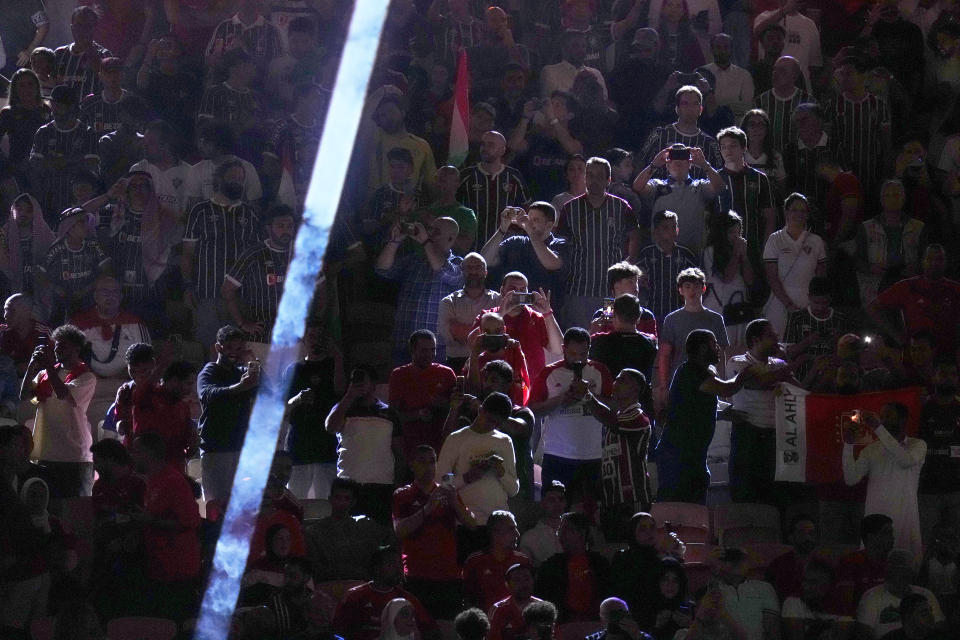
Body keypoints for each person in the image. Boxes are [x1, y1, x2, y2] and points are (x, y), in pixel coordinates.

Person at [655, 329, 752, 503]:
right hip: (678, 459)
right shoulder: (691, 372)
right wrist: (743, 375)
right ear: (701, 349)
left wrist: (722, 414)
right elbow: (726, 389)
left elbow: (691, 411)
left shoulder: (697, 372)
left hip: (693, 458)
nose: (718, 348)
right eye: (713, 344)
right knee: (676, 509)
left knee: (695, 508)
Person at [182, 159, 263, 350]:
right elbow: (187, 254)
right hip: (208, 292)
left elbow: (258, 256)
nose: (237, 182)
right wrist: (187, 286)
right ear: (219, 179)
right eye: (233, 177)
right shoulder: (200, 211)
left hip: (242, 295)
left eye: (241, 179)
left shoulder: (250, 213)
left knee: (241, 350)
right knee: (210, 347)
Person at [726, 319, 805, 507]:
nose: (777, 338)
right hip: (748, 434)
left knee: (773, 493)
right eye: (771, 335)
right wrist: (794, 365)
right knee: (746, 492)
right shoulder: (738, 362)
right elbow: (757, 383)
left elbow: (801, 391)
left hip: (775, 436)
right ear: (755, 340)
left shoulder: (778, 364)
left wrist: (817, 368)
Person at [556, 156, 640, 329]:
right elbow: (560, 244)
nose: (594, 180)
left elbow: (635, 235)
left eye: (600, 176)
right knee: (579, 333)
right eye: (590, 175)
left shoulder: (621, 207)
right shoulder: (570, 208)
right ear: (585, 177)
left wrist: (629, 263)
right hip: (578, 288)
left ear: (608, 180)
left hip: (609, 291)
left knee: (606, 331)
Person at [393, 444, 476, 619]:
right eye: (422, 462)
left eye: (432, 462)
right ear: (411, 465)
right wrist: (427, 508)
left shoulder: (447, 492)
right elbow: (400, 531)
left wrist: (454, 501)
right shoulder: (403, 494)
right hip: (417, 575)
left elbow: (472, 524)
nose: (428, 467)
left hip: (448, 575)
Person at [129, 432, 201, 623]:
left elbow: (191, 521)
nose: (132, 455)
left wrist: (150, 521)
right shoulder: (153, 480)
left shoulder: (173, 481)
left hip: (178, 568)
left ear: (150, 453)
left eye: (136, 451)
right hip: (161, 566)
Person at [530, 327, 613, 490]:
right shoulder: (549, 373)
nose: (578, 359)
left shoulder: (599, 371)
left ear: (589, 350)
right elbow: (533, 410)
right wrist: (561, 399)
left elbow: (613, 407)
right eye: (573, 354)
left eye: (582, 354)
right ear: (563, 349)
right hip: (557, 454)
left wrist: (588, 395)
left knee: (591, 508)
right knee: (555, 505)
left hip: (593, 454)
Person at [20, 324, 96, 498]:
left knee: (76, 510)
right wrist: (32, 365)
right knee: (49, 509)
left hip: (73, 456)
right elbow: (24, 395)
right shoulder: (45, 374)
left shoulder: (86, 377)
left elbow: (63, 394)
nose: (56, 349)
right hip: (45, 452)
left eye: (63, 345)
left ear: (76, 348)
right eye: (55, 345)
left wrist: (47, 365)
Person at [843, 403, 927, 560]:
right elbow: (851, 478)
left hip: (905, 517)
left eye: (888, 416)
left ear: (903, 420)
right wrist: (848, 445)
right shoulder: (871, 449)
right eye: (882, 416)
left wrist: (878, 428)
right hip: (876, 518)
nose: (883, 420)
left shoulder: (917, 445)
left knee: (906, 562)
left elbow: (905, 460)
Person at [376, 218, 465, 365]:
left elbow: (445, 273)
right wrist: (394, 242)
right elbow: (382, 269)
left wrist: (425, 242)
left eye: (435, 232)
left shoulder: (458, 263)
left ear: (450, 239)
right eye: (429, 229)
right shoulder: (415, 260)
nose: (429, 234)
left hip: (436, 348)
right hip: (405, 342)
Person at [327, 366, 402, 526]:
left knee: (379, 533)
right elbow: (330, 427)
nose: (358, 383)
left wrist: (398, 482)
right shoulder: (343, 408)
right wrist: (349, 396)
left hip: (381, 486)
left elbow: (399, 450)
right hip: (349, 485)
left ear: (373, 384)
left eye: (362, 379)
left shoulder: (389, 413)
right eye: (355, 380)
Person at [437, 392, 519, 537]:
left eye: (498, 424)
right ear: (480, 410)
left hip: (498, 524)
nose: (493, 426)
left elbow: (513, 490)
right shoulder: (456, 439)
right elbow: (441, 483)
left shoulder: (504, 441)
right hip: (465, 522)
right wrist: (467, 477)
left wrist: (501, 472)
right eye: (490, 420)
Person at [584, 369, 654, 538]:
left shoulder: (638, 416)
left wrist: (586, 396)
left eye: (623, 380)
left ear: (636, 389)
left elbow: (612, 422)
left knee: (634, 545)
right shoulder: (616, 417)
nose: (616, 383)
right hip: (611, 501)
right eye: (616, 379)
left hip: (632, 499)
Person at [196, 324, 259, 503]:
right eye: (229, 347)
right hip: (216, 448)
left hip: (240, 448)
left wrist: (254, 362)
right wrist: (239, 387)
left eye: (239, 348)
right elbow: (207, 394)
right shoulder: (210, 371)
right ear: (218, 347)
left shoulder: (242, 373)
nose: (234, 353)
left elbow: (268, 391)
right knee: (216, 505)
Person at [282, 320, 343, 500]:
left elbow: (340, 391)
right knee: (295, 500)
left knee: (325, 503)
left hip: (327, 447)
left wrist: (337, 356)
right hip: (299, 447)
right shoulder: (293, 369)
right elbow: (283, 409)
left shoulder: (334, 366)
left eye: (321, 337)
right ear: (304, 339)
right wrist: (298, 399)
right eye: (312, 336)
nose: (316, 341)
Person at [868, 245, 960, 362]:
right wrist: (898, 336)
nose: (934, 263)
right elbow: (873, 308)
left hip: (946, 353)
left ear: (946, 262)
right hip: (915, 354)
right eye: (930, 259)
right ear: (923, 261)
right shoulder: (908, 286)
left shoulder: (955, 289)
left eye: (939, 259)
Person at [656, 267, 729, 414]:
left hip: (709, 379)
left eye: (696, 286)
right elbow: (664, 355)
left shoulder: (715, 319)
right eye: (687, 287)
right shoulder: (672, 319)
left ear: (703, 289)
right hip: (680, 380)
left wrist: (722, 383)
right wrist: (664, 387)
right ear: (681, 290)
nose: (692, 291)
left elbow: (721, 354)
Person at [634, 143, 724, 260]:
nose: (678, 161)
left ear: (690, 163)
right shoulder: (657, 186)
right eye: (673, 157)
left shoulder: (700, 186)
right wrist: (654, 165)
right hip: (660, 256)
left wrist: (704, 164)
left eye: (682, 156)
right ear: (667, 164)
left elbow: (720, 187)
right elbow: (637, 187)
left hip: (693, 255)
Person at [222, 204, 296, 345]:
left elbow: (321, 291)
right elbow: (227, 290)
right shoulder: (253, 255)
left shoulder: (302, 255)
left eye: (290, 226)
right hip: (261, 337)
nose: (286, 231)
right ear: (269, 228)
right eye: (281, 226)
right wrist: (242, 323)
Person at [716, 126, 778, 292]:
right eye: (724, 147)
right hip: (722, 248)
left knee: (755, 293)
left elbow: (770, 217)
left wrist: (766, 247)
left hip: (754, 246)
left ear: (744, 148)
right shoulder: (715, 179)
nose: (728, 150)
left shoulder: (759, 178)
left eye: (733, 145)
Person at [473, 272, 564, 384]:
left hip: (531, 386)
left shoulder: (536, 318)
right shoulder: (487, 316)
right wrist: (500, 314)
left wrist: (548, 314)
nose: (518, 293)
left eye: (522, 289)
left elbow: (558, 349)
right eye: (513, 289)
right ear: (502, 291)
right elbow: (472, 345)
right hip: (495, 384)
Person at [332, 546, 439, 640]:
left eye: (400, 564)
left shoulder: (408, 599)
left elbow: (430, 629)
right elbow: (337, 632)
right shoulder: (355, 596)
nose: (398, 569)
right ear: (377, 569)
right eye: (391, 564)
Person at [29, 85, 100, 223]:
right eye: (53, 104)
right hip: (49, 202)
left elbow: (90, 166)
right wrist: (73, 161)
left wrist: (55, 162)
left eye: (59, 105)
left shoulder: (87, 133)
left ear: (72, 107)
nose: (54, 109)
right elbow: (36, 165)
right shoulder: (44, 132)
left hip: (79, 204)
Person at [763, 193, 827, 338]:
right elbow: (772, 277)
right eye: (794, 210)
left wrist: (815, 304)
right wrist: (788, 305)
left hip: (807, 303)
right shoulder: (774, 239)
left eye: (803, 211)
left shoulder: (816, 241)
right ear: (786, 212)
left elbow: (821, 277)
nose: (799, 214)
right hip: (779, 304)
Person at [305, 478, 394, 582]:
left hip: (362, 586)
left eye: (346, 499)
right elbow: (315, 569)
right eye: (338, 498)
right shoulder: (315, 531)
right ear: (330, 499)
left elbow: (391, 539)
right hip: (329, 586)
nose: (341, 503)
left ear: (353, 502)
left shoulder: (366, 527)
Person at [388, 330, 456, 464]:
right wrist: (417, 415)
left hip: (440, 442)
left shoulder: (446, 374)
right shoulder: (399, 375)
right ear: (412, 350)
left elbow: (457, 409)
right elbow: (393, 416)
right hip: (409, 445)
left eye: (433, 350)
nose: (429, 355)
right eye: (424, 350)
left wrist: (445, 405)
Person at [479, 202, 567, 305]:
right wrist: (502, 229)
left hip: (543, 307)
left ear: (549, 225)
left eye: (535, 220)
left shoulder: (559, 244)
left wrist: (530, 231)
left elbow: (551, 263)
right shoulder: (516, 241)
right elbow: (485, 260)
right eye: (529, 219)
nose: (529, 223)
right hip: (511, 306)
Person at [534, 511, 611, 622]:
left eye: (566, 529)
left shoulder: (599, 563)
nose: (560, 534)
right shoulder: (551, 565)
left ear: (581, 533)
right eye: (560, 530)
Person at [637, 85, 723, 182]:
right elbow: (639, 163)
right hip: (660, 194)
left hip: (697, 195)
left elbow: (720, 176)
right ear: (677, 109)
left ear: (701, 109)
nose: (690, 108)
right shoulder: (659, 135)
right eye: (685, 103)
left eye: (695, 104)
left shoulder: (710, 143)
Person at [457, 131, 529, 245]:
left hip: (504, 247)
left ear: (503, 150)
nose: (485, 148)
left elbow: (526, 208)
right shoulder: (466, 175)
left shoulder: (514, 177)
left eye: (491, 144)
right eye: (483, 144)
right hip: (471, 245)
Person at [855, 549, 944, 639]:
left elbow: (939, 625)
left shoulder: (926, 594)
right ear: (888, 570)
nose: (901, 573)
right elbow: (864, 633)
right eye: (897, 567)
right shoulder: (872, 596)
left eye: (905, 568)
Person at [917, 361, 960, 547]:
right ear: (934, 377)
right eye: (943, 373)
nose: (948, 377)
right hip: (928, 488)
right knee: (925, 542)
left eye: (952, 374)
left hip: (957, 488)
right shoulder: (921, 408)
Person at [439, 253, 501, 372]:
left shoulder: (499, 300)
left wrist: (465, 331)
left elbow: (502, 335)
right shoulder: (448, 302)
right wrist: (489, 333)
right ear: (462, 271)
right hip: (457, 363)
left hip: (492, 363)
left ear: (486, 272)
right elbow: (455, 335)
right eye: (469, 267)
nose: (473, 271)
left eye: (478, 267)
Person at [461, 510, 530, 612]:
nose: (517, 534)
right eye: (512, 529)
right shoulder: (475, 561)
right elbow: (466, 597)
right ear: (495, 533)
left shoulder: (522, 561)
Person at [834, 514, 896, 618]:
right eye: (886, 533)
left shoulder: (892, 564)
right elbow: (846, 605)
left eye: (892, 533)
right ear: (871, 537)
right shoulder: (850, 562)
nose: (892, 538)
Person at [712, 547, 780, 640]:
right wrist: (712, 570)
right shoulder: (712, 591)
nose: (737, 563)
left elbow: (772, 630)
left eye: (741, 559)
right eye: (732, 559)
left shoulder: (764, 588)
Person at [589, 295, 659, 381]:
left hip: (609, 391)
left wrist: (592, 331)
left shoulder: (599, 341)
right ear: (638, 317)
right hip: (639, 391)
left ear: (614, 315)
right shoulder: (650, 342)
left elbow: (585, 356)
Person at [780, 559, 853, 640]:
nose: (806, 587)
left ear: (828, 584)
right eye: (805, 581)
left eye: (813, 582)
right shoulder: (793, 603)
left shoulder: (842, 608)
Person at [54, 6, 113, 99]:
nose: (82, 31)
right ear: (72, 28)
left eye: (87, 26)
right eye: (79, 26)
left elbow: (110, 86)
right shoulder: (59, 54)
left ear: (95, 29)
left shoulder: (104, 55)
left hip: (91, 110)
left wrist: (89, 50)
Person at [590, 262, 658, 339]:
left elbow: (652, 346)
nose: (636, 287)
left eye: (636, 282)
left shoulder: (646, 315)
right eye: (630, 282)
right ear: (616, 286)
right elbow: (593, 345)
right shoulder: (601, 315)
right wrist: (594, 329)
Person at [765, 514, 821, 603]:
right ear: (791, 537)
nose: (807, 538)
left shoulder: (824, 566)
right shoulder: (778, 565)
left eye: (811, 533)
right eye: (801, 533)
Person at [0, 293, 50, 377]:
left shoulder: (44, 332)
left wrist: (30, 367)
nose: (5, 315)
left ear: (27, 312)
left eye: (11, 311)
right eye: (5, 310)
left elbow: (54, 364)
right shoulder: (2, 332)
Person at [487, 563, 541, 640]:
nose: (523, 584)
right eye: (517, 580)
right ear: (507, 585)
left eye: (527, 579)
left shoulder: (543, 608)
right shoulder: (498, 610)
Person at [519, 480, 565, 567]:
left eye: (561, 499)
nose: (557, 504)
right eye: (552, 500)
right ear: (542, 503)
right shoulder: (530, 537)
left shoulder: (573, 531)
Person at [879, 592, 951, 640]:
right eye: (924, 613)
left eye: (931, 611)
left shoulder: (941, 637)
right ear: (908, 617)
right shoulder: (890, 638)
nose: (931, 616)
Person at [585, 597, 651, 640]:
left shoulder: (640, 636)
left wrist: (637, 637)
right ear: (601, 618)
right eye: (609, 614)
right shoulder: (592, 639)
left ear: (628, 615)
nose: (613, 619)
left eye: (618, 614)